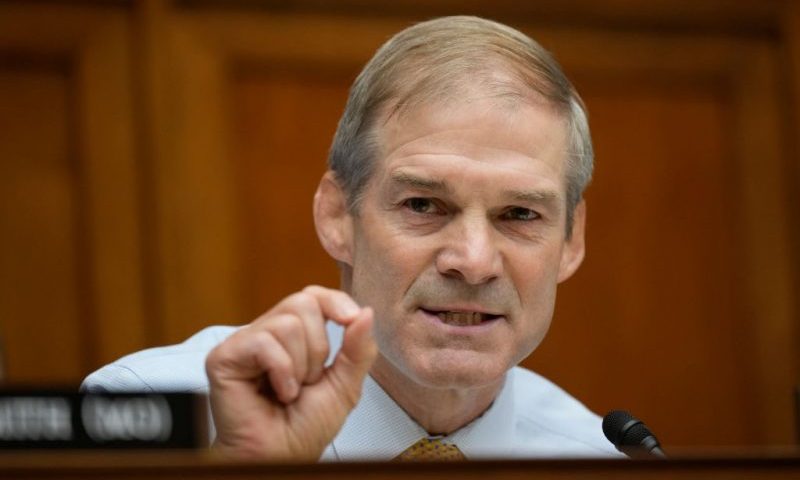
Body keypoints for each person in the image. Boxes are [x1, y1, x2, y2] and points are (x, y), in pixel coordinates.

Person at [83, 15, 620, 461]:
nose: (474, 262)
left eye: (520, 214)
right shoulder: (152, 415)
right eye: (423, 205)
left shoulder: (602, 462)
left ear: (571, 241)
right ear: (338, 216)